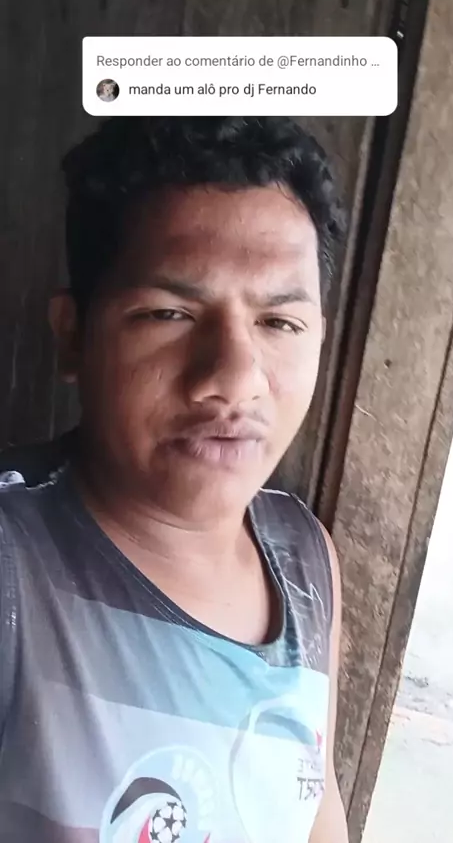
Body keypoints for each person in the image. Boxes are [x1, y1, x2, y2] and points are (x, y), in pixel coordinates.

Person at [0, 116, 348, 843]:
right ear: (73, 335)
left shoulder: (304, 556)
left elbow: (318, 806)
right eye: (169, 313)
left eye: (280, 323)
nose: (234, 378)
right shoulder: (15, 568)